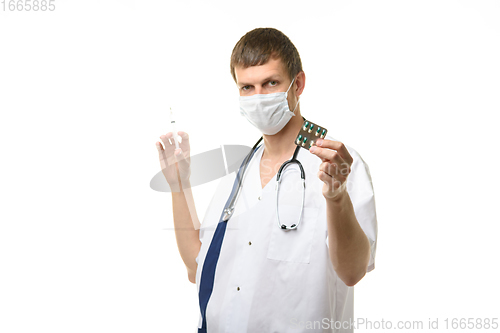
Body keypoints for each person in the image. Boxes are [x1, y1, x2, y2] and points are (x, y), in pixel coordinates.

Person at [156, 27, 377, 333]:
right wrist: (178, 185)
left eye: (270, 83)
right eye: (247, 88)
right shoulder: (239, 172)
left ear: (297, 84)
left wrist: (337, 196)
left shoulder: (337, 164)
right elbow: (198, 267)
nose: (258, 98)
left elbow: (352, 272)